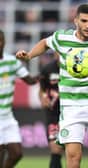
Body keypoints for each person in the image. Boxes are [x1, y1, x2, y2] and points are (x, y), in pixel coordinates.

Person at [16, 4, 88, 168]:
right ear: (76, 21)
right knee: (74, 159)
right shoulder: (62, 38)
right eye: (84, 21)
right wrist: (30, 55)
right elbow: (44, 43)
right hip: (71, 107)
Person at [0, 30, 38, 168]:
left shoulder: (11, 62)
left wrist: (42, 76)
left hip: (7, 117)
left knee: (17, 154)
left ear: (4, 42)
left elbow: (29, 80)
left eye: (1, 40)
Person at [39, 54, 63, 168]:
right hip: (53, 113)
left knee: (73, 151)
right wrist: (43, 98)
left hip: (71, 113)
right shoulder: (47, 69)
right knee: (55, 149)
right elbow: (42, 90)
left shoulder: (75, 68)